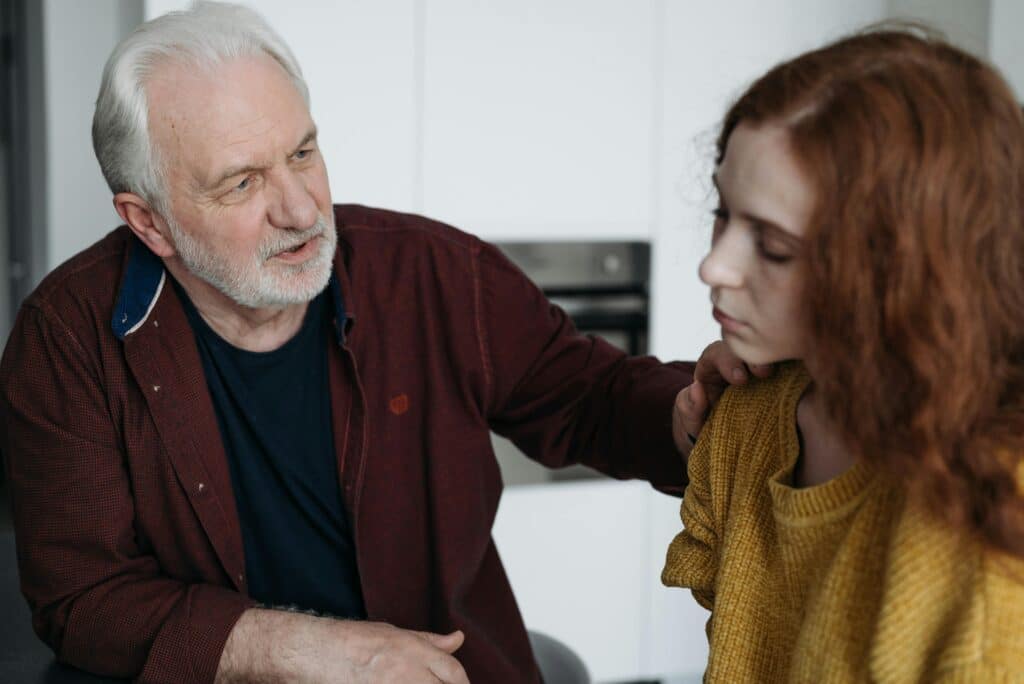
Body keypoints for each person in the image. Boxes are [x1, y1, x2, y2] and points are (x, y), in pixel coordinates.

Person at [0, 3, 751, 682]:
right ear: (150, 222)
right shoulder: (67, 339)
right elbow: (84, 598)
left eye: (302, 153)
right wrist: (304, 649)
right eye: (241, 184)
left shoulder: (434, 272)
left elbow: (590, 398)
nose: (301, 209)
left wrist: (686, 413)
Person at [662, 27, 1024, 682]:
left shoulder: (994, 530)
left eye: (774, 247)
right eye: (724, 212)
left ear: (903, 269)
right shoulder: (746, 418)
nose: (713, 265)